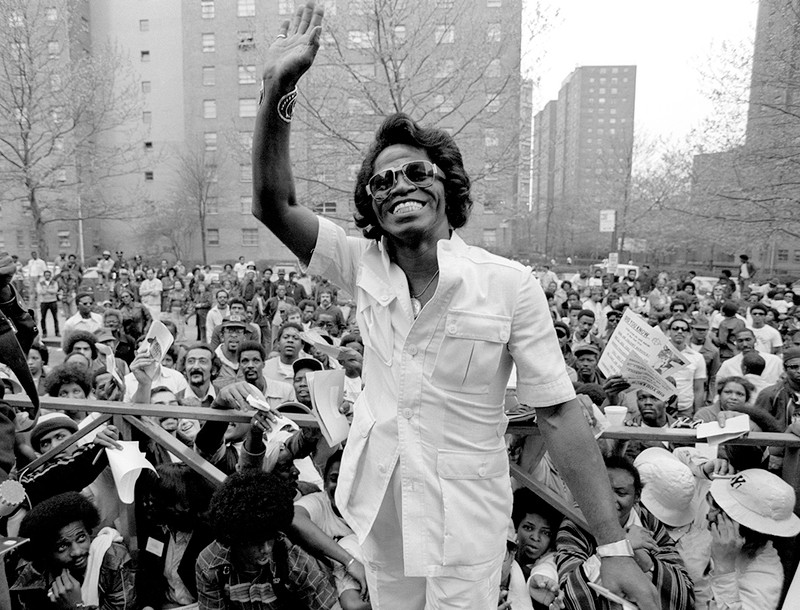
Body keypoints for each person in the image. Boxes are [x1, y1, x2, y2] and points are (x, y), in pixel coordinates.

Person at [251, 5, 660, 608]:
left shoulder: (509, 284)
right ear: (372, 207)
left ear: (448, 185)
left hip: (464, 527)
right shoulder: (360, 263)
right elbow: (272, 203)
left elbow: (558, 414)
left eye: (415, 171)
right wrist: (277, 90)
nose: (398, 186)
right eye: (381, 182)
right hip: (381, 514)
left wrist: (613, 546)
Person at [556, 456, 695, 610]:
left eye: (621, 493)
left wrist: (647, 562)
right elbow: (566, 592)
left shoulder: (648, 522)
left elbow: (685, 594)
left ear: (637, 497)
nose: (610, 499)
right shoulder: (574, 523)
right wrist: (621, 546)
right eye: (602, 491)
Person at [195, 470, 340, 609]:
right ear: (236, 539)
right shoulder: (211, 565)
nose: (266, 549)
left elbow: (328, 605)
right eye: (255, 542)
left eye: (270, 538)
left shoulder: (293, 560)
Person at [12, 492, 137, 609]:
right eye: (62, 546)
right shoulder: (33, 574)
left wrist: (76, 605)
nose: (77, 552)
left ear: (88, 532)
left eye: (81, 538)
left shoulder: (112, 559)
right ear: (46, 553)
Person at [706, 469, 800, 609]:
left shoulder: (767, 575)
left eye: (718, 510)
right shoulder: (715, 529)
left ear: (738, 526)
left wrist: (724, 568)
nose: (708, 515)